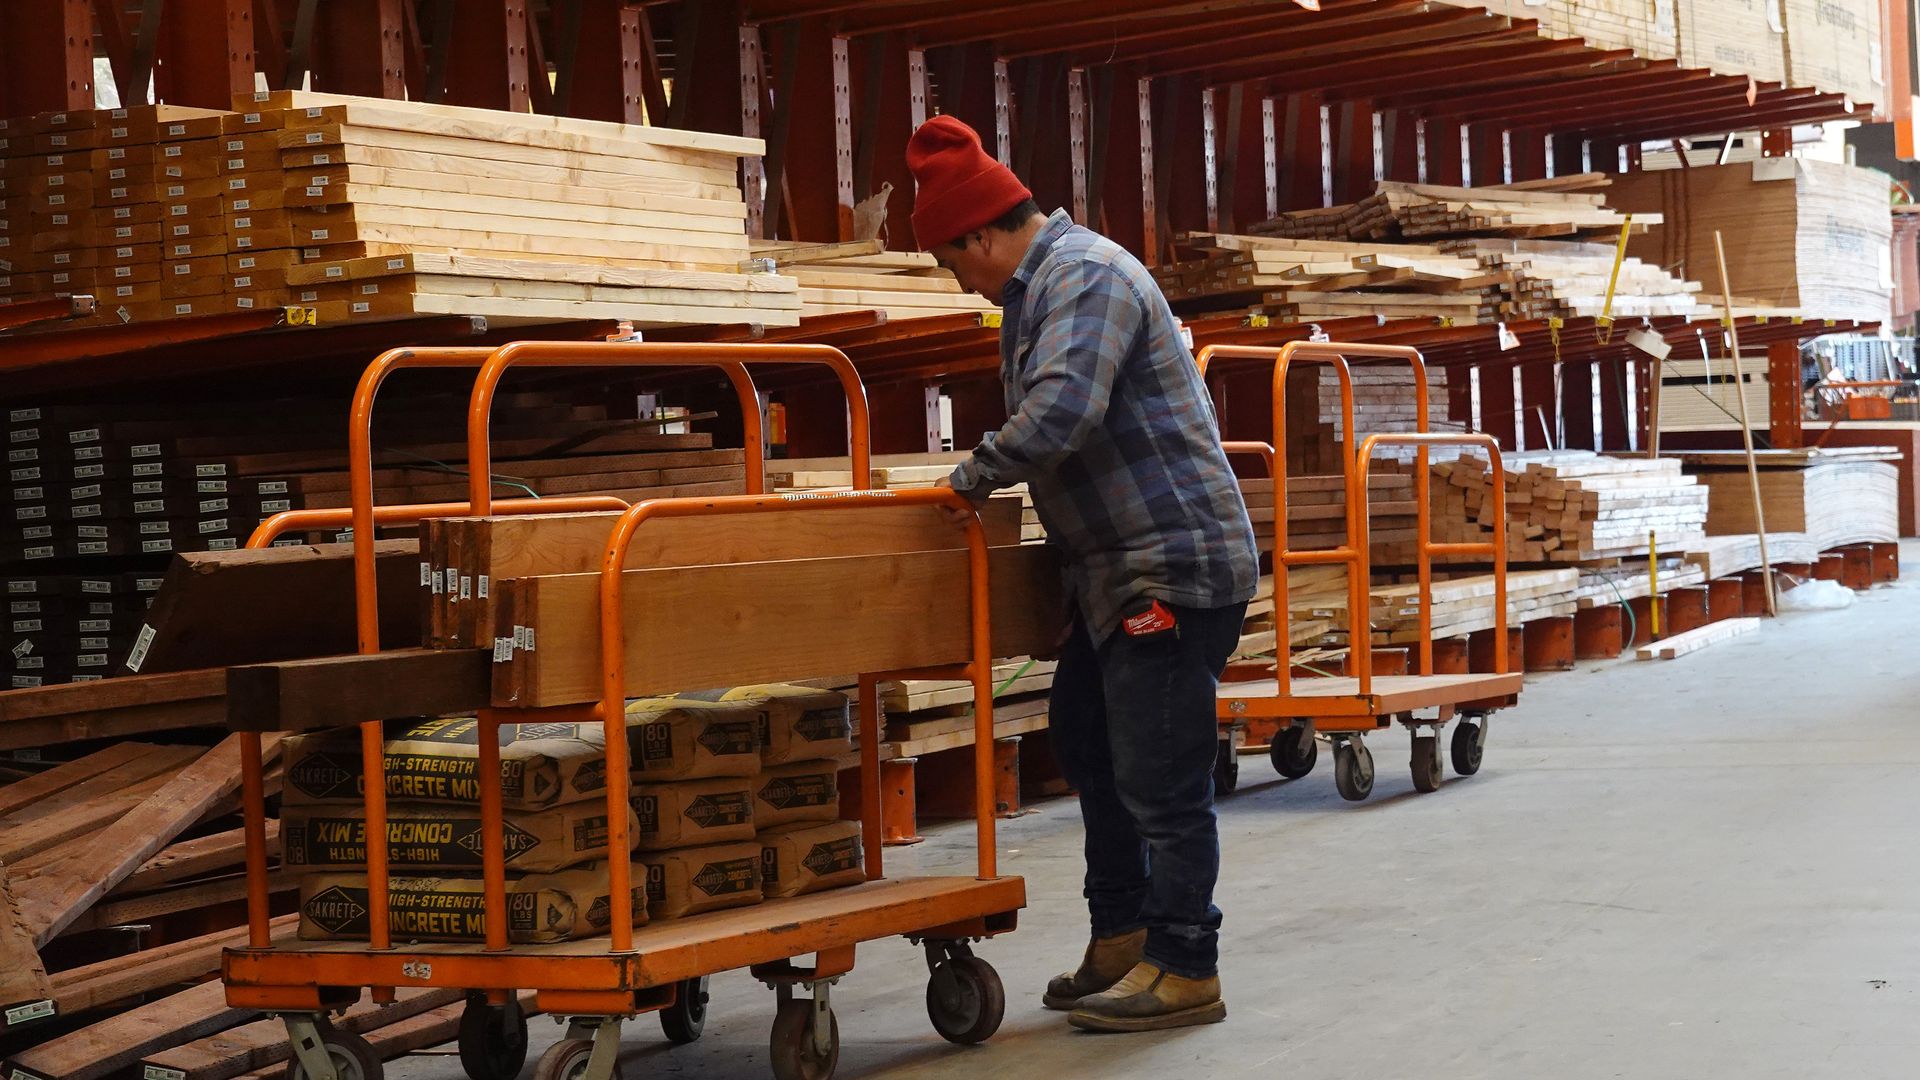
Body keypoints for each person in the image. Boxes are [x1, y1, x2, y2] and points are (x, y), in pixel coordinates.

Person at [905, 114, 1258, 1034]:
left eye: (953, 263)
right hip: (1115, 575)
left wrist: (966, 479)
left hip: (1171, 570)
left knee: (1160, 771)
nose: (963, 286)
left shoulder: (1085, 275)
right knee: (1089, 744)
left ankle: (1185, 963)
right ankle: (1123, 935)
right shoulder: (1035, 293)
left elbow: (1063, 413)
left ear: (978, 234)